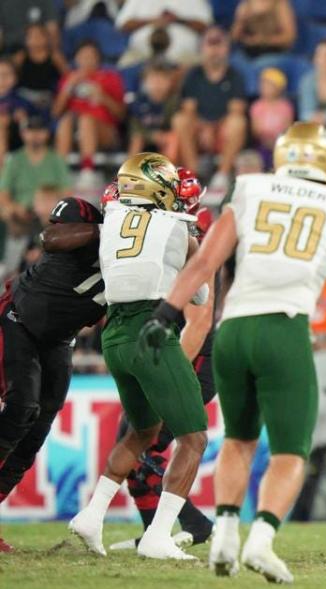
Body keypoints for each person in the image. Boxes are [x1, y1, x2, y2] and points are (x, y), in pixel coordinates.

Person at [138, 122, 326, 584]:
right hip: (284, 329)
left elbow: (205, 262)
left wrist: (165, 314)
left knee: (239, 438)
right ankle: (262, 540)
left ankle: (228, 533)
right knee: (291, 451)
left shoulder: (249, 189)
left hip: (231, 330)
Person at [68, 152, 209, 561]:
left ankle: (92, 515)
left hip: (113, 336)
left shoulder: (109, 217)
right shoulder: (178, 225)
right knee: (193, 438)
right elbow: (198, 293)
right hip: (152, 331)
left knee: (143, 432)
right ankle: (159, 536)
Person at [0, 195, 105, 553]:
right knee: (20, 410)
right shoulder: (83, 236)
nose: (60, 229)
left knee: (35, 433)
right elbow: (51, 238)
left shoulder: (129, 253)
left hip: (58, 339)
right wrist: (105, 231)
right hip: (17, 322)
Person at [172, 26, 248, 190]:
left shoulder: (235, 76)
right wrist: (204, 127)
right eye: (210, 43)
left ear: (227, 48)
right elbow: (188, 110)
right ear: (202, 48)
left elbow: (236, 110)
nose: (214, 49)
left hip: (223, 133)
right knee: (180, 120)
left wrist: (212, 129)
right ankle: (192, 175)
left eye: (219, 43)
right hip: (199, 133)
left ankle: (222, 175)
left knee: (238, 122)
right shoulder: (193, 75)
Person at [0, 114, 70, 273]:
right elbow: (3, 193)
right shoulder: (15, 159)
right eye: (31, 131)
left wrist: (49, 206)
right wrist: (15, 208)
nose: (35, 136)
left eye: (39, 131)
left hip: (49, 214)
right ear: (23, 133)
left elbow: (67, 193)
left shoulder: (56, 159)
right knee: (8, 214)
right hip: (21, 214)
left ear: (46, 134)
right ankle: (9, 265)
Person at [51, 40, 125, 188]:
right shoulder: (69, 78)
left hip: (105, 132)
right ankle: (59, 173)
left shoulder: (110, 77)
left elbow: (121, 114)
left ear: (98, 59)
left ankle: (88, 171)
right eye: (83, 56)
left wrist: (102, 97)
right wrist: (68, 88)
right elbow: (55, 112)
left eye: (91, 56)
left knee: (86, 119)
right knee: (66, 120)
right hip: (74, 133)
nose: (86, 60)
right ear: (76, 59)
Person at [115, 0, 212, 68]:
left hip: (183, 58)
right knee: (123, 66)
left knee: (201, 68)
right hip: (141, 55)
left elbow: (205, 25)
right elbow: (122, 24)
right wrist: (152, 20)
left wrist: (177, 19)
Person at [11, 23, 69, 117]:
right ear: (26, 40)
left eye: (39, 35)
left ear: (47, 38)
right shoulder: (20, 57)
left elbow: (67, 76)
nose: (35, 39)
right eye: (31, 36)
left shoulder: (55, 57)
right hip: (24, 97)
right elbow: (9, 77)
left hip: (46, 98)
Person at [126, 60, 178, 157]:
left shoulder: (173, 102)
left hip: (165, 138)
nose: (157, 84)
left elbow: (175, 124)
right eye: (153, 80)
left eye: (162, 79)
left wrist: (163, 135)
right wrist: (151, 136)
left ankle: (166, 170)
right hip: (145, 137)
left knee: (172, 138)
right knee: (137, 139)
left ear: (170, 82)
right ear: (145, 82)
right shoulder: (139, 102)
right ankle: (130, 170)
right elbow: (134, 128)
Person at [250, 67, 294, 167]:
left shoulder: (286, 106)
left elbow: (288, 128)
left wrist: (277, 140)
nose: (264, 87)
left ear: (279, 88)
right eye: (263, 84)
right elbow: (255, 130)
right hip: (262, 144)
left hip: (281, 143)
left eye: (269, 85)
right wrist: (267, 139)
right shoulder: (257, 106)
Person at [229, 0, 296, 61]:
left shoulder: (280, 4)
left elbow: (288, 37)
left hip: (275, 53)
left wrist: (263, 41)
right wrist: (242, 19)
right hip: (248, 54)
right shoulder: (246, 5)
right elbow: (234, 37)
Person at [0, 56, 32, 164]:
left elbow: (23, 118)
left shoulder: (19, 99)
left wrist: (17, 116)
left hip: (13, 139)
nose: (2, 79)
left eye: (7, 74)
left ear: (15, 78)